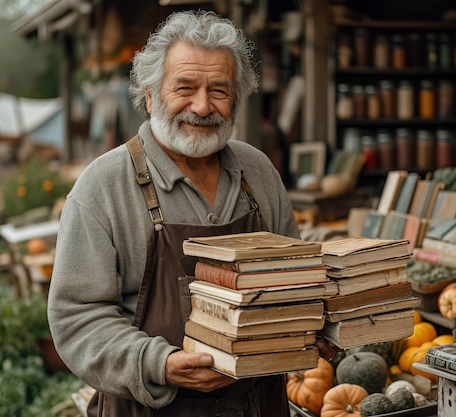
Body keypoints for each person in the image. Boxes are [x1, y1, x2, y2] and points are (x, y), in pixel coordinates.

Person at [47, 10, 339, 417]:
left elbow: (291, 280)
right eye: (185, 87)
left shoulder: (258, 172)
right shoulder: (103, 186)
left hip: (259, 404)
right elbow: (77, 319)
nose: (202, 107)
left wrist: (317, 318)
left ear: (235, 98)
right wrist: (159, 365)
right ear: (149, 95)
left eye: (219, 90)